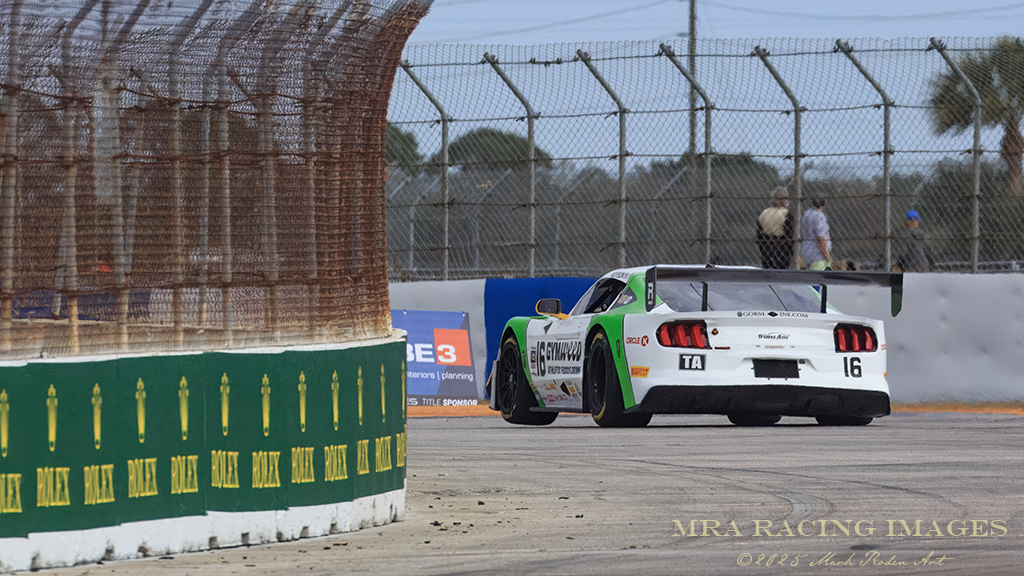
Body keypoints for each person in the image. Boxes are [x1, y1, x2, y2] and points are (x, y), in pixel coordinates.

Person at [756, 187, 794, 269]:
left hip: (766, 248)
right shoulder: (785, 214)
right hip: (782, 249)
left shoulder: (764, 213)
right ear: (784, 200)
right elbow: (790, 234)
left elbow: (759, 234)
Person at [800, 198, 831, 270]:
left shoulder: (807, 214)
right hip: (818, 255)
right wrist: (826, 255)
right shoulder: (820, 216)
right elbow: (820, 238)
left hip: (806, 252)